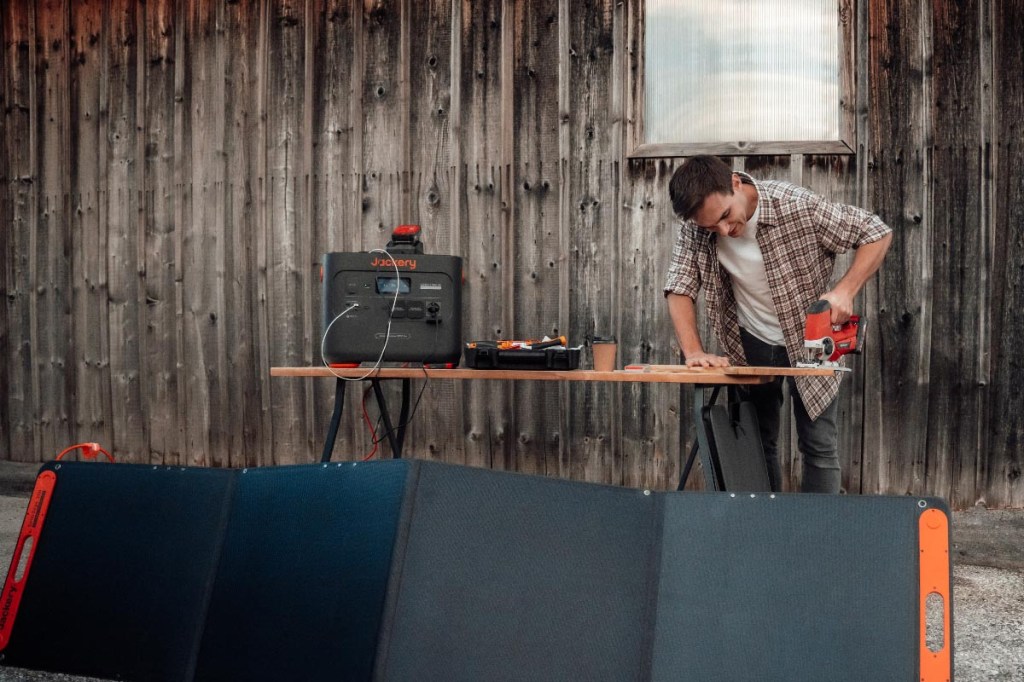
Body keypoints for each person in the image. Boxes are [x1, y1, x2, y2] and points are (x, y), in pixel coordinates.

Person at [664, 155, 892, 493]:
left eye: (726, 216)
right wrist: (694, 351)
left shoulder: (797, 206)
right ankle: (766, 530)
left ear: (735, 184)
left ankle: (816, 535)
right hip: (751, 341)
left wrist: (845, 291)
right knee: (757, 443)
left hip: (812, 342)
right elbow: (680, 286)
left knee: (818, 445)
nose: (725, 231)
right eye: (712, 227)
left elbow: (876, 231)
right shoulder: (696, 230)